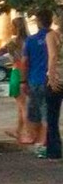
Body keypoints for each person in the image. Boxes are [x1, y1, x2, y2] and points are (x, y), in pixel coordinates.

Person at [20, 9, 53, 155]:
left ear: (38, 22)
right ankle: (44, 142)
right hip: (51, 80)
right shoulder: (57, 37)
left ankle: (39, 141)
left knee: (34, 113)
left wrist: (23, 81)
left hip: (34, 80)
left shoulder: (31, 40)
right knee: (48, 112)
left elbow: (25, 62)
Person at [0, 17, 32, 143]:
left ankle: (28, 133)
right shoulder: (29, 40)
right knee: (21, 106)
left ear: (15, 27)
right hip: (28, 72)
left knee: (22, 106)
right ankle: (18, 130)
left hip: (16, 71)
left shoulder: (13, 42)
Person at [44, 12, 63, 159]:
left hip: (57, 77)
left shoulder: (52, 36)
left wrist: (51, 75)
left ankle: (54, 150)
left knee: (52, 115)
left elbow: (53, 56)